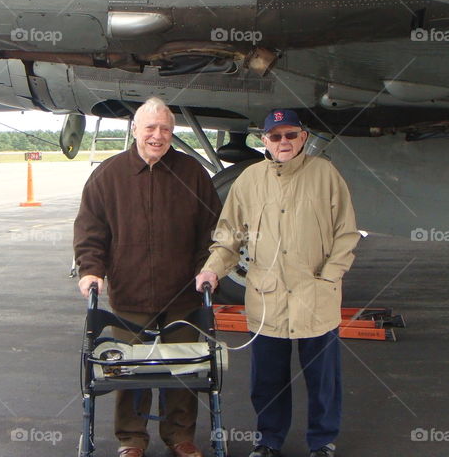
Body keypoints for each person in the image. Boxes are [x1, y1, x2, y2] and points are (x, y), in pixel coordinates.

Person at [195, 109, 359, 457]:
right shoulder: (249, 180)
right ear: (264, 141)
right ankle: (268, 440)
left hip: (315, 298)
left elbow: (346, 234)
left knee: (323, 381)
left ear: (302, 138)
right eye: (275, 136)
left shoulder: (325, 174)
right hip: (266, 301)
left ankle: (322, 441)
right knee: (267, 381)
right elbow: (228, 237)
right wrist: (212, 270)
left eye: (290, 135)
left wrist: (329, 277)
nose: (282, 142)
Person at [74, 97, 222, 457]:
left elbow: (212, 229)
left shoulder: (192, 174)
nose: (158, 135)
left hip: (183, 292)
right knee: (130, 370)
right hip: (130, 292)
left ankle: (180, 437)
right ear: (135, 130)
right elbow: (91, 230)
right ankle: (131, 439)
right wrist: (91, 270)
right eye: (151, 128)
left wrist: (209, 267)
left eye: (166, 129)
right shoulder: (107, 176)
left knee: (183, 369)